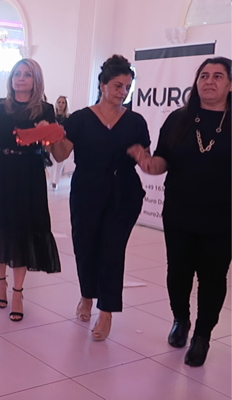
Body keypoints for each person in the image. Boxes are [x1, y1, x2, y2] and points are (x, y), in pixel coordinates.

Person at [128, 57, 231, 366]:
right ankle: (180, 319)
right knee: (179, 271)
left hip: (223, 216)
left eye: (218, 76)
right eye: (204, 75)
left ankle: (202, 336)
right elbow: (163, 159)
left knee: (213, 277)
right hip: (179, 211)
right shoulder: (179, 119)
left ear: (230, 85)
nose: (209, 81)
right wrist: (148, 164)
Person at [51, 55, 149, 340]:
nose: (123, 92)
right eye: (118, 86)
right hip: (87, 190)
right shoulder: (81, 119)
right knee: (85, 246)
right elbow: (61, 155)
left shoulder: (135, 122)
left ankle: (106, 311)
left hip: (124, 192)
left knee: (112, 250)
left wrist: (143, 158)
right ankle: (87, 295)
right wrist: (51, 140)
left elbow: (146, 158)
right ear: (103, 85)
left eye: (127, 87)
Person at [0, 59, 61, 321]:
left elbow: (51, 144)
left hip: (29, 171)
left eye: (27, 75)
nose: (21, 78)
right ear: (11, 79)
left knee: (24, 227)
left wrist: (47, 133)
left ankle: (18, 292)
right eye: (17, 74)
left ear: (36, 80)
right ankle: (1, 284)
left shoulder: (45, 109)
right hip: (1, 169)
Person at [49, 96, 71, 190]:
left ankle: (55, 181)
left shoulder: (69, 117)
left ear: (66, 104)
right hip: (51, 141)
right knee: (50, 161)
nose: (61, 104)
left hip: (62, 141)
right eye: (59, 102)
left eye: (63, 102)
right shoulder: (51, 116)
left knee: (59, 163)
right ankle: (53, 179)